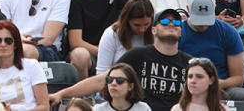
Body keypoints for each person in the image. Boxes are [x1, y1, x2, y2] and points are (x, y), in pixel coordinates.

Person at [50, 7, 191, 111]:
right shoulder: (138, 55)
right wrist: (62, 93)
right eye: (165, 21)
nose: (171, 24)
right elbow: (102, 80)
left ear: (181, 30)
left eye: (177, 22)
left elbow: (211, 89)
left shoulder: (190, 63)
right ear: (153, 30)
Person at [180, 0, 244, 104]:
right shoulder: (179, 32)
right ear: (188, 9)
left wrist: (216, 83)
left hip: (221, 87)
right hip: (187, 86)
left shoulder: (227, 31)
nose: (203, 25)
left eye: (206, 19)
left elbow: (238, 77)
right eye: (198, 20)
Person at [0, 20, 50, 111]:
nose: (3, 44)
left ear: (15, 44)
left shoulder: (32, 66)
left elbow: (44, 107)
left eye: (8, 41)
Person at [96, 0, 154, 74]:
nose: (142, 30)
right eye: (136, 25)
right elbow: (101, 72)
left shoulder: (156, 34)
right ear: (126, 20)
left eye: (146, 24)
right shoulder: (111, 34)